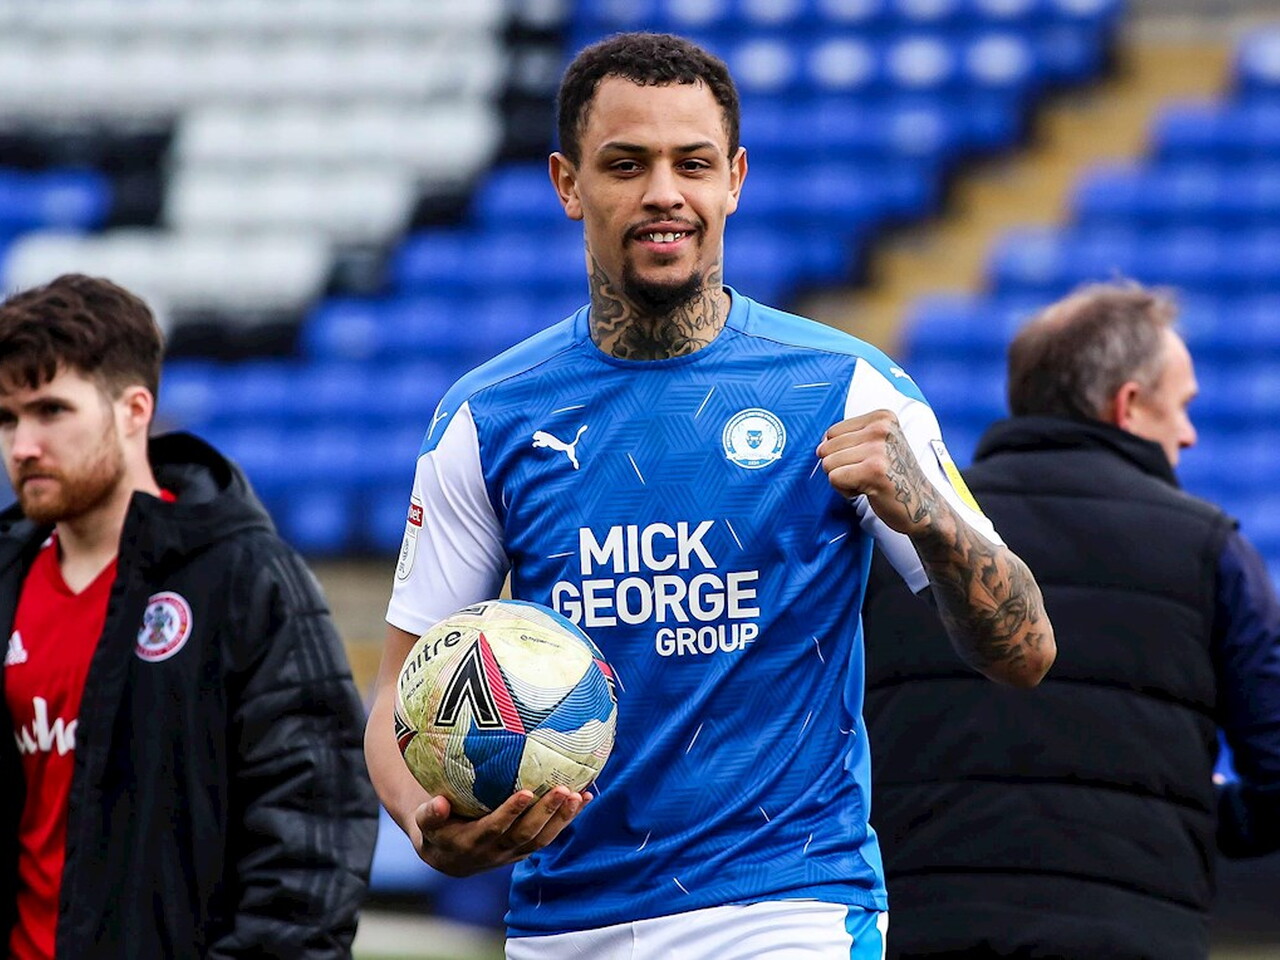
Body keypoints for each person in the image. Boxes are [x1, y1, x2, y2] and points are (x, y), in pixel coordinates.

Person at [365, 32, 1055, 959]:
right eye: (626, 165)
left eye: (691, 164)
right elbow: (399, 693)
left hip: (787, 907)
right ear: (568, 184)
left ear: (734, 179)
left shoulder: (849, 388)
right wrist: (424, 823)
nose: (663, 192)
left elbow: (1026, 651)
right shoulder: (487, 418)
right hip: (563, 921)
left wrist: (928, 515)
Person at [861, 282, 1280, 960]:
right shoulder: (1210, 548)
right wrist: (1197, 814)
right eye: (1182, 406)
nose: (1190, 433)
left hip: (917, 925)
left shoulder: (901, 531)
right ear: (1128, 404)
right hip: (1132, 933)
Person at [0, 274, 379, 959]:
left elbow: (313, 835)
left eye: (51, 411)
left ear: (133, 410)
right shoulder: (7, 580)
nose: (23, 445)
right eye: (7, 418)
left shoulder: (243, 579)